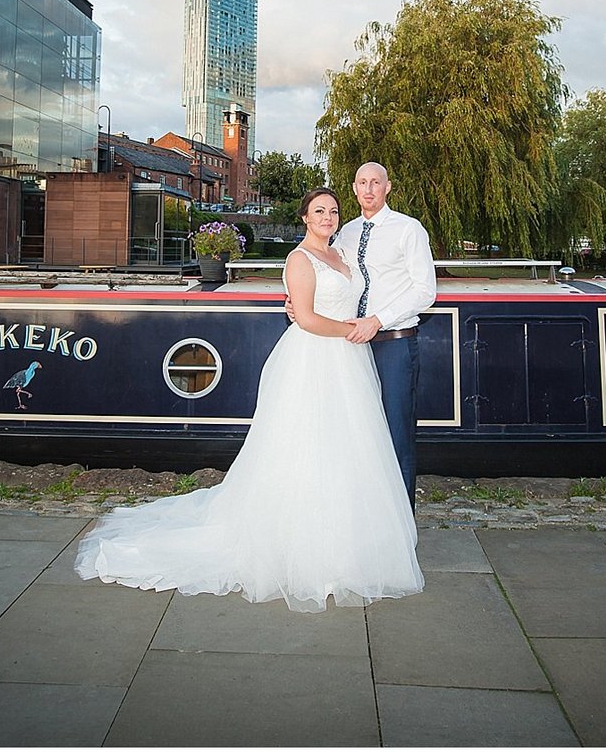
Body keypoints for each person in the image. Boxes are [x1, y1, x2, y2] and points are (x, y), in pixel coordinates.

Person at [74, 187, 423, 613]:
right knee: (305, 449)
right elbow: (309, 318)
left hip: (349, 362)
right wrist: (354, 331)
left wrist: (362, 326)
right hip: (317, 359)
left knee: (346, 450)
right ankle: (303, 550)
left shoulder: (345, 251)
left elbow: (363, 294)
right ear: (305, 218)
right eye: (319, 211)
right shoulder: (299, 259)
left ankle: (346, 542)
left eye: (332, 210)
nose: (328, 217)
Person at [332, 162, 437, 507]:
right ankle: (368, 514)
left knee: (396, 434)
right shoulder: (344, 232)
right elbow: (335, 279)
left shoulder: (409, 229)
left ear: (387, 187)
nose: (369, 189)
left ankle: (401, 520)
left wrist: (377, 320)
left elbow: (425, 291)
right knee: (358, 433)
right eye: (362, 182)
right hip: (352, 348)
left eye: (375, 182)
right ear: (353, 188)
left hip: (395, 344)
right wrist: (298, 303)